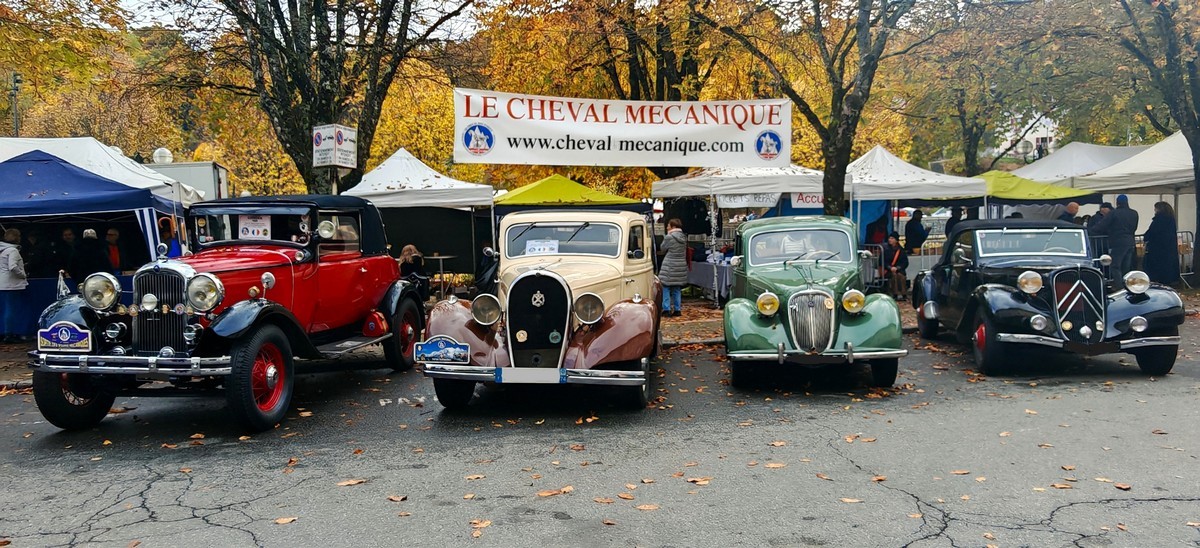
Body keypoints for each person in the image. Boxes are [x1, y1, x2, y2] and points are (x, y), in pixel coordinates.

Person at [1089, 194, 1139, 282]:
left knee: (1115, 266)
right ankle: (1126, 286)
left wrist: (1090, 231)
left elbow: (1102, 225)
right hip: (1130, 242)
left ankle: (1119, 287)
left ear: (1117, 202)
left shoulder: (1114, 213)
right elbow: (1134, 227)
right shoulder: (1134, 213)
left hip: (1118, 242)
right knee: (1126, 267)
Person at [1, 228, 29, 343]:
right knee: (11, 310)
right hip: (12, 284)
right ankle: (10, 333)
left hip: (2, 283)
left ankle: (5, 332)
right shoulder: (13, 251)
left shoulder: (2, 250)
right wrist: (23, 274)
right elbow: (12, 267)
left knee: (5, 309)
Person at [1142, 201, 1179, 285]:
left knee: (1156, 268)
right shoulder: (1171, 219)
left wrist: (1146, 237)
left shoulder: (1158, 220)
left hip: (1157, 249)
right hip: (1168, 248)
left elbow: (1152, 232)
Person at [658, 218, 687, 317]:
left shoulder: (669, 237)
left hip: (670, 265)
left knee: (665, 286)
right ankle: (677, 309)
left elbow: (663, 248)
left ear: (673, 227)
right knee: (676, 288)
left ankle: (666, 309)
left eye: (668, 225)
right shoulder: (683, 237)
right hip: (681, 264)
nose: (667, 227)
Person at [881, 232, 909, 301]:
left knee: (901, 276)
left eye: (892, 238)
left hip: (899, 269)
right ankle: (895, 294)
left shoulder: (901, 250)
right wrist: (890, 267)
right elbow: (882, 261)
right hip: (887, 270)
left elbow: (905, 262)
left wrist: (898, 268)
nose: (890, 240)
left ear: (896, 240)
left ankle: (903, 294)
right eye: (889, 238)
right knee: (894, 276)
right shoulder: (885, 249)